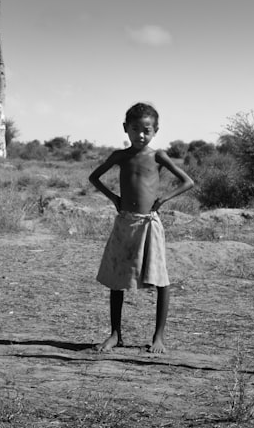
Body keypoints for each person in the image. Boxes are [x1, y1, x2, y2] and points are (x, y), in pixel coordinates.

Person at [88, 102, 195, 354]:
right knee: (116, 278)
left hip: (149, 223)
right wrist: (113, 198)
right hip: (125, 222)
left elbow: (187, 181)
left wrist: (164, 199)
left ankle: (159, 336)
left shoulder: (158, 156)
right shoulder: (119, 156)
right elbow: (94, 177)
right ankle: (115, 334)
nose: (141, 135)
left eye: (146, 130)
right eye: (135, 129)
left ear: (156, 130)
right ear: (125, 129)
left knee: (160, 279)